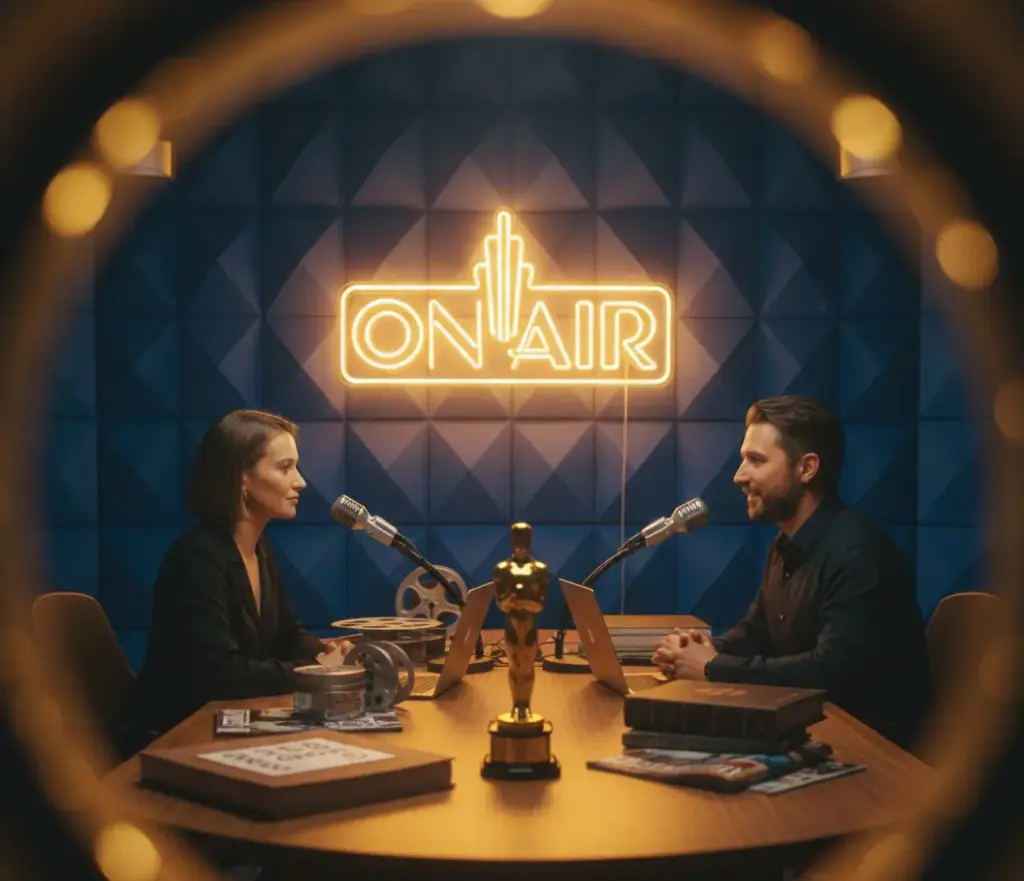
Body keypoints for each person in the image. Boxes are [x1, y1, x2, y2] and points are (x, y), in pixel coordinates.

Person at [653, 395, 933, 750]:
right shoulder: (785, 545)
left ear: (806, 468)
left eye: (756, 460)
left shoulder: (858, 553)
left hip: (871, 750)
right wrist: (694, 652)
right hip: (812, 731)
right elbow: (756, 633)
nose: (739, 476)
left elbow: (830, 672)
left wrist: (712, 668)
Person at [125, 409, 352, 737]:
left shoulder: (260, 549)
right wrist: (313, 670)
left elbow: (287, 635)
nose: (300, 481)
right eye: (285, 467)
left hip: (219, 722)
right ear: (242, 477)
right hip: (174, 733)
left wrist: (326, 654)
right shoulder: (198, 559)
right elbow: (219, 673)